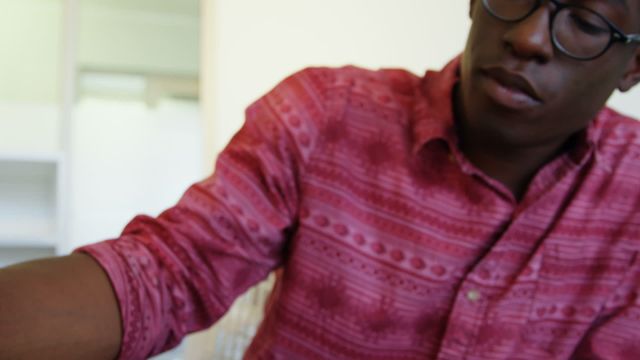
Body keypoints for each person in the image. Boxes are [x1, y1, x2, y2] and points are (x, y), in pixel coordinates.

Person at [2, 0, 640, 358]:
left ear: (632, 64)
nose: (529, 35)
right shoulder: (323, 115)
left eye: (584, 22)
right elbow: (169, 274)